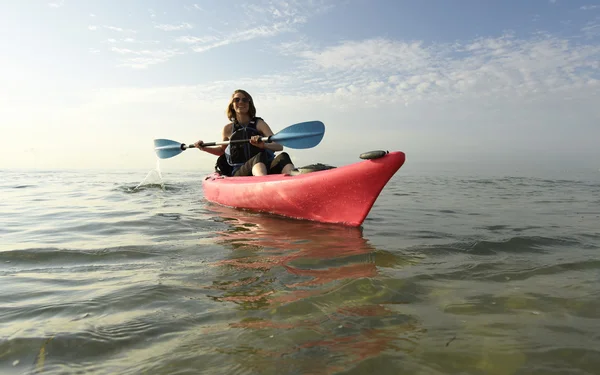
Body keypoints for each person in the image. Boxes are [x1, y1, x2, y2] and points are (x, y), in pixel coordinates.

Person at [194, 89, 295, 177]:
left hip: (265, 166)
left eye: (245, 100)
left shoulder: (259, 124)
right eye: (237, 100)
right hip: (241, 171)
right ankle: (263, 184)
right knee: (257, 157)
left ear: (249, 103)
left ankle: (294, 181)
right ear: (232, 105)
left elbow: (278, 146)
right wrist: (203, 148)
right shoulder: (228, 129)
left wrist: (264, 145)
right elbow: (222, 151)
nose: (241, 102)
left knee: (283, 157)